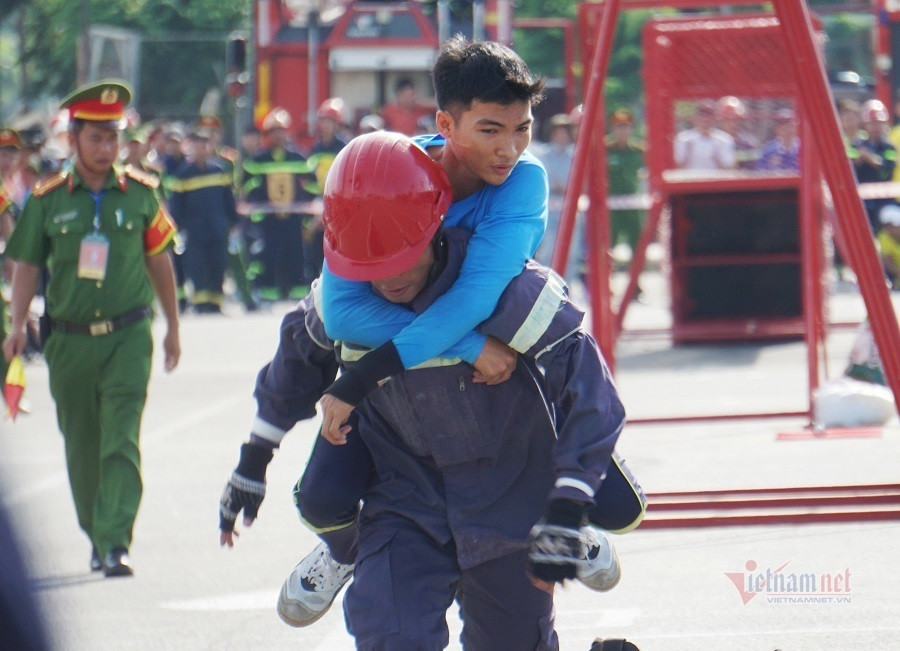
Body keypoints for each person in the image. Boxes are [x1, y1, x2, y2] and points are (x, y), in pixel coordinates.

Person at [218, 132, 636, 648]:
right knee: (385, 623)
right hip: (403, 502)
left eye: (399, 257)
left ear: (437, 228)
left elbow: (593, 397)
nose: (386, 280)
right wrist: (252, 461)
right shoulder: (339, 300)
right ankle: (346, 549)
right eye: (367, 268)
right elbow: (295, 362)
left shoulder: (513, 292)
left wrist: (568, 503)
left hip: (510, 500)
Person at [1, 80, 181, 577]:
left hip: (128, 336)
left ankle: (116, 539)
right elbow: (27, 267)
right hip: (68, 341)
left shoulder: (142, 194)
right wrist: (17, 327)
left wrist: (172, 328)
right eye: (96, 138)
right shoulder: (47, 199)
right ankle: (96, 534)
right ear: (73, 139)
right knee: (82, 446)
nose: (106, 149)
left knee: (121, 438)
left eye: (113, 138)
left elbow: (160, 260)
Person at [243, 107, 314, 302]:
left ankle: (299, 290)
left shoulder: (299, 158)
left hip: (294, 217)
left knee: (296, 252)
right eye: (273, 132)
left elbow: (311, 186)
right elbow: (246, 188)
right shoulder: (257, 161)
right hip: (268, 218)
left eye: (281, 131)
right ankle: (269, 291)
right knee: (269, 254)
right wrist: (256, 210)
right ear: (267, 135)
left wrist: (308, 213)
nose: (278, 136)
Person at [168, 128, 238, 313]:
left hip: (217, 228)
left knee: (218, 265)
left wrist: (233, 223)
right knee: (196, 266)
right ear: (191, 148)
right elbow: (176, 206)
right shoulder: (183, 174)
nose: (201, 150)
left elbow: (228, 200)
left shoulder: (219, 171)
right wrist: (178, 228)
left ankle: (215, 302)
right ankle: (200, 303)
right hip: (195, 230)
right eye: (197, 146)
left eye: (204, 146)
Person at [533, 113, 575, 269]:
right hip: (548, 211)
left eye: (564, 132)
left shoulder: (575, 155)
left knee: (572, 253)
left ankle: (568, 289)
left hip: (571, 210)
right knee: (547, 253)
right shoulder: (542, 154)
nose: (561, 136)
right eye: (558, 132)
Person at [605, 108, 647, 257]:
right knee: (608, 243)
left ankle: (636, 279)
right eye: (618, 127)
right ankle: (607, 278)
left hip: (632, 202)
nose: (622, 131)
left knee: (637, 242)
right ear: (612, 128)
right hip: (610, 204)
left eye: (626, 126)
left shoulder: (639, 150)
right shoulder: (605, 149)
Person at [855, 99, 896, 233]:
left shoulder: (890, 147)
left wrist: (868, 157)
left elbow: (887, 167)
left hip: (884, 201)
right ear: (865, 125)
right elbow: (848, 163)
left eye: (879, 123)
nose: (876, 127)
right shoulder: (856, 145)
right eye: (872, 123)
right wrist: (858, 158)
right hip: (860, 201)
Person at [673, 99, 736, 170]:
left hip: (715, 179)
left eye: (709, 115)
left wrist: (717, 156)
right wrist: (688, 153)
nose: (705, 120)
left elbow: (729, 166)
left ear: (715, 118)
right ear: (696, 118)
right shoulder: (683, 139)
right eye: (702, 115)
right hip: (690, 179)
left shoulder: (725, 140)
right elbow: (676, 165)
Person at [714, 96, 758, 169]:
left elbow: (752, 170)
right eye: (728, 119)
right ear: (720, 121)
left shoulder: (748, 144)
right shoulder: (713, 141)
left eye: (736, 119)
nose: (733, 123)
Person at [756, 108, 800, 173]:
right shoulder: (769, 150)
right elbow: (761, 172)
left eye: (791, 125)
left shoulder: (803, 149)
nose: (788, 130)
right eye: (783, 126)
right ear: (777, 129)